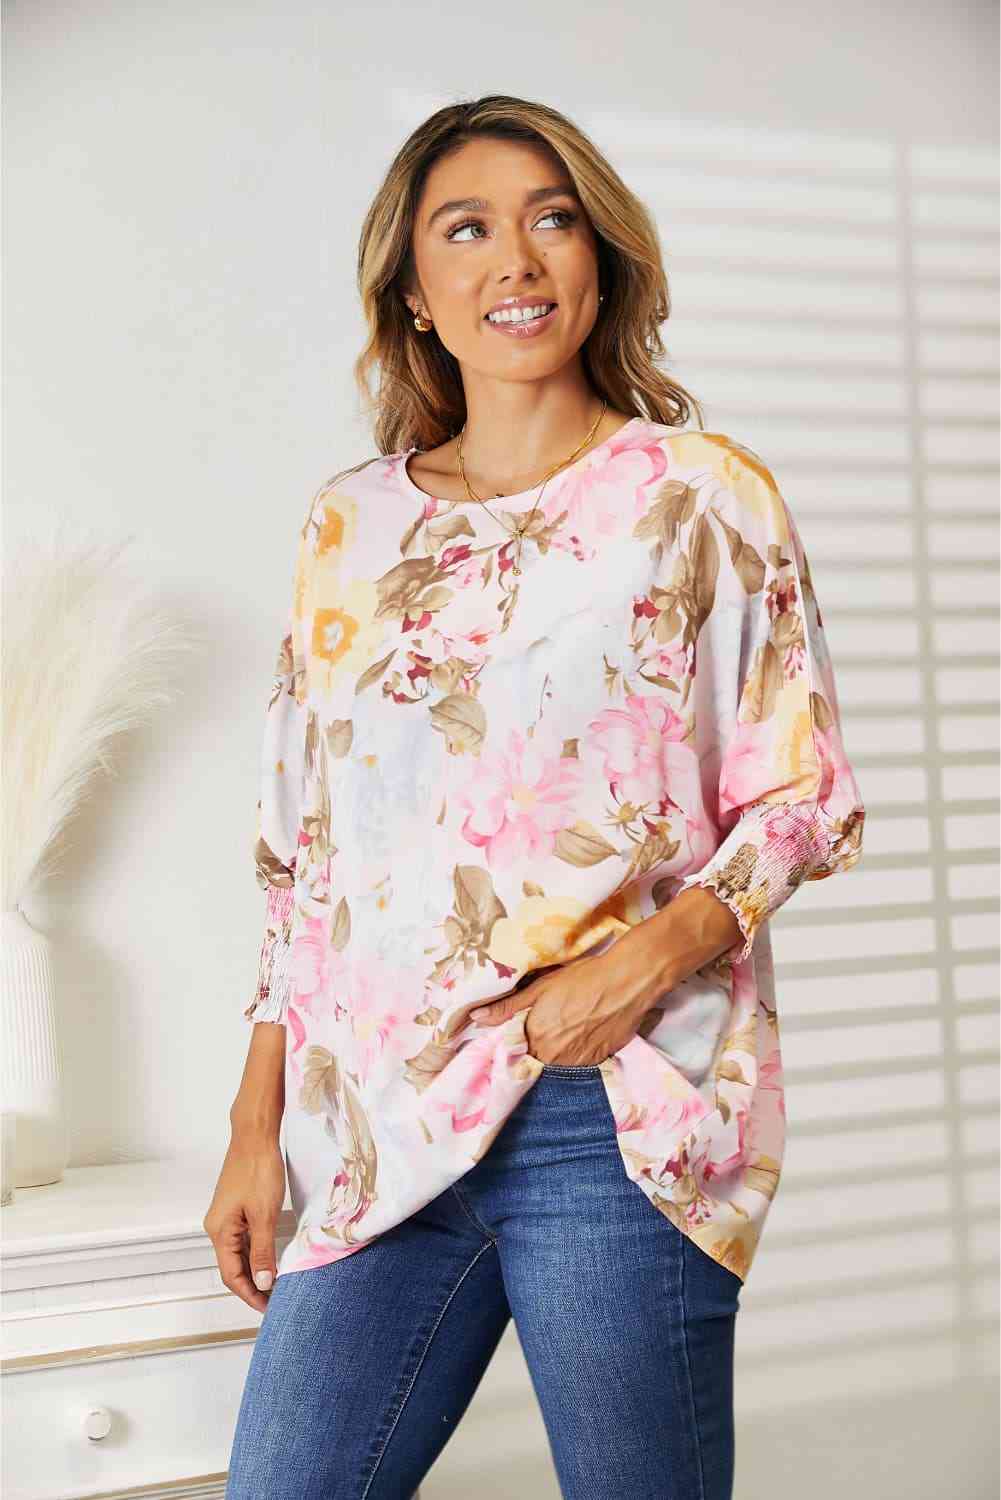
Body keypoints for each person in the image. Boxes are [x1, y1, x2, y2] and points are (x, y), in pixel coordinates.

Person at [205, 94, 866, 1500]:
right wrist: (255, 1129)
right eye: (467, 229)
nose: (515, 259)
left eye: (550, 219)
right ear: (413, 290)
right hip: (378, 1115)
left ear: (599, 257)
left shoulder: (697, 496)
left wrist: (633, 972)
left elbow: (801, 796)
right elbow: (301, 855)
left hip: (605, 1109)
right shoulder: (350, 523)